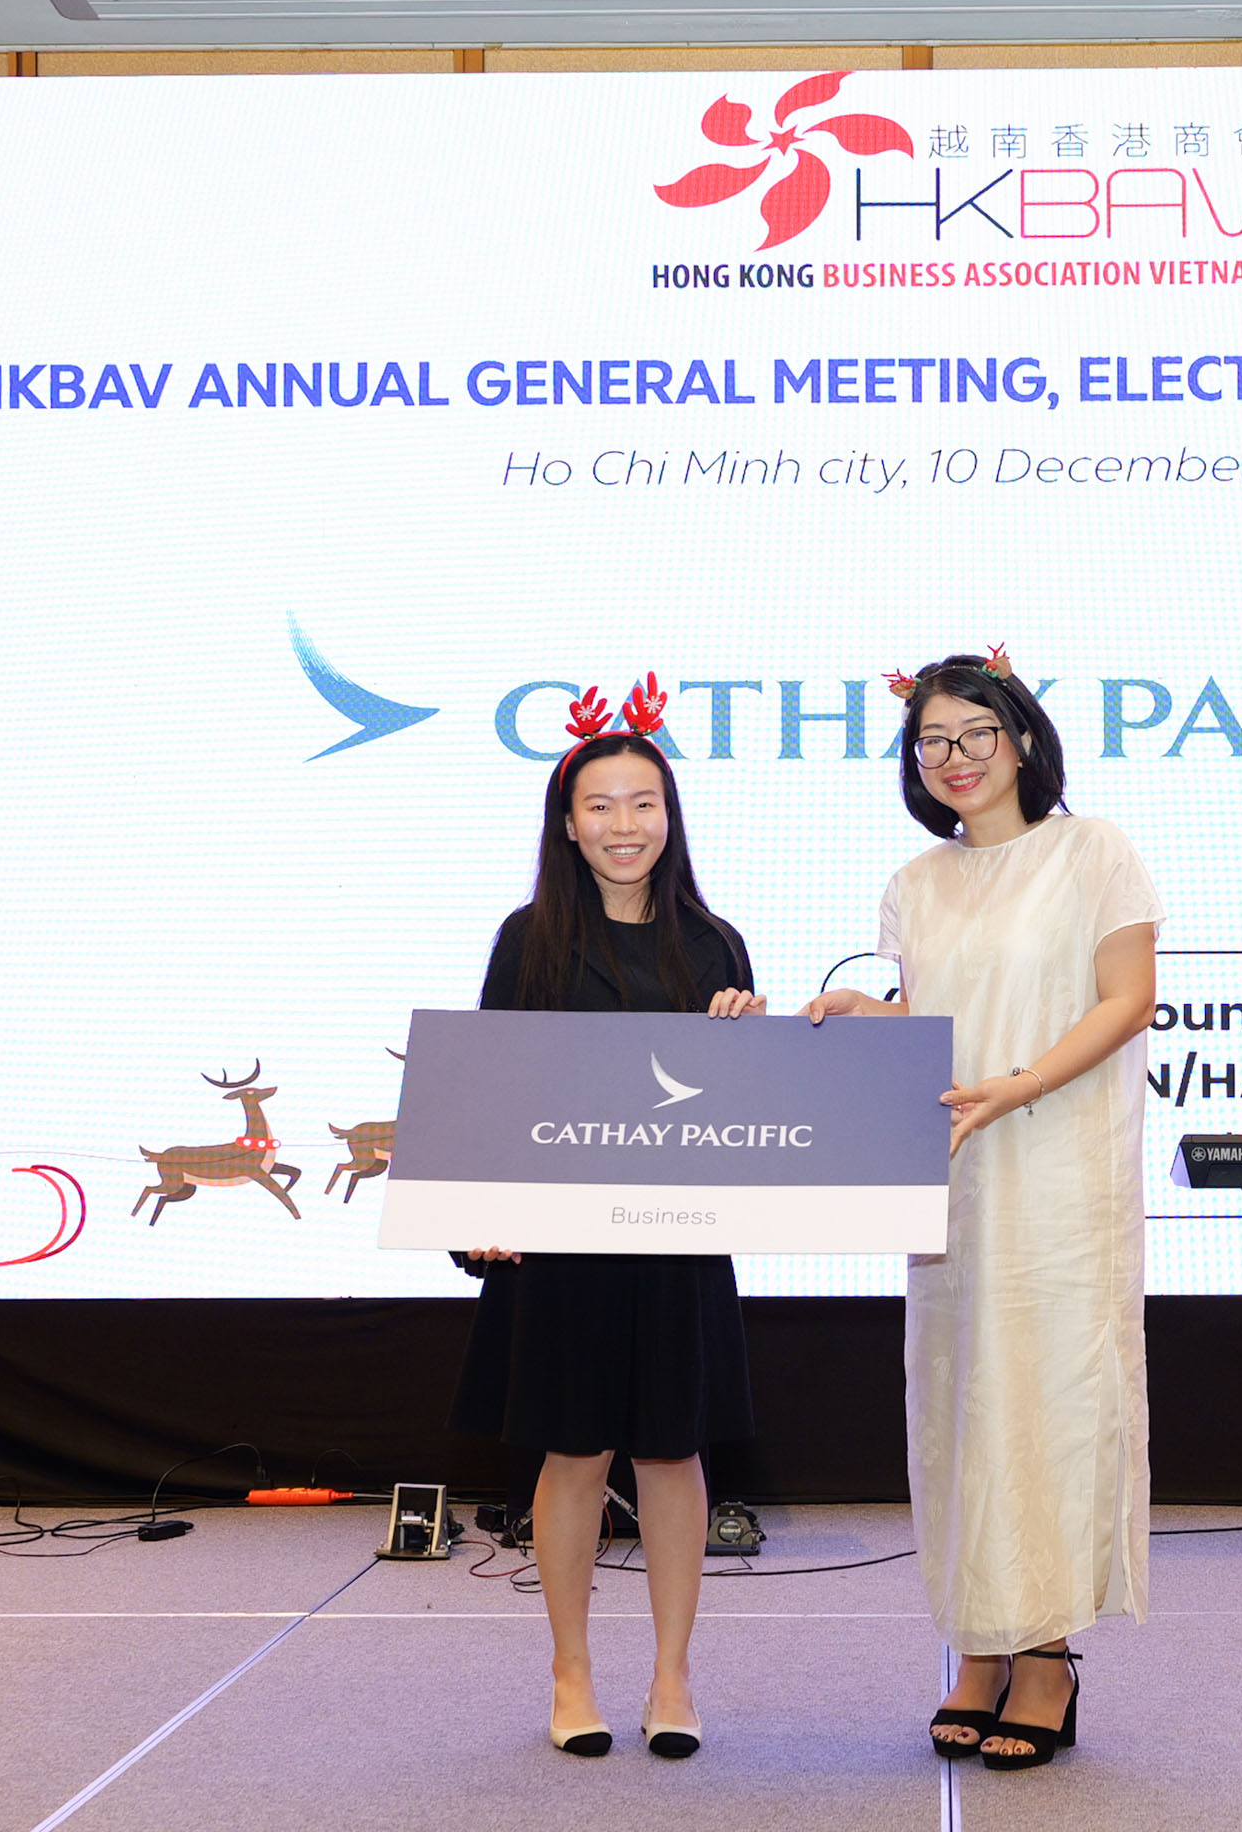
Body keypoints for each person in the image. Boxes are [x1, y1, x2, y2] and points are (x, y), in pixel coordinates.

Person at [804, 648, 1162, 1772]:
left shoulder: (1093, 850)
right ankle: (977, 1645)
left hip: (1058, 1173)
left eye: (975, 733)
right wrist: (863, 1012)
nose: (953, 757)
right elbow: (937, 1022)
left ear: (1021, 739)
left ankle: (1046, 1655)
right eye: (932, 740)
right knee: (959, 1406)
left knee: (1048, 1403)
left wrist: (1021, 1083)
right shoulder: (917, 882)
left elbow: (1129, 1000)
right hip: (951, 1176)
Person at [449, 675, 768, 1762]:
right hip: (565, 1248)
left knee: (674, 1456)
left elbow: (740, 1113)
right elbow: (488, 1088)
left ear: (669, 818)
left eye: (643, 803)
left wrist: (751, 1041)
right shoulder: (527, 938)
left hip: (677, 1242)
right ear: (567, 823)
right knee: (575, 1453)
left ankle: (673, 1676)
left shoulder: (716, 944)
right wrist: (479, 1213)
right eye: (599, 805)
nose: (623, 824)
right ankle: (571, 1672)